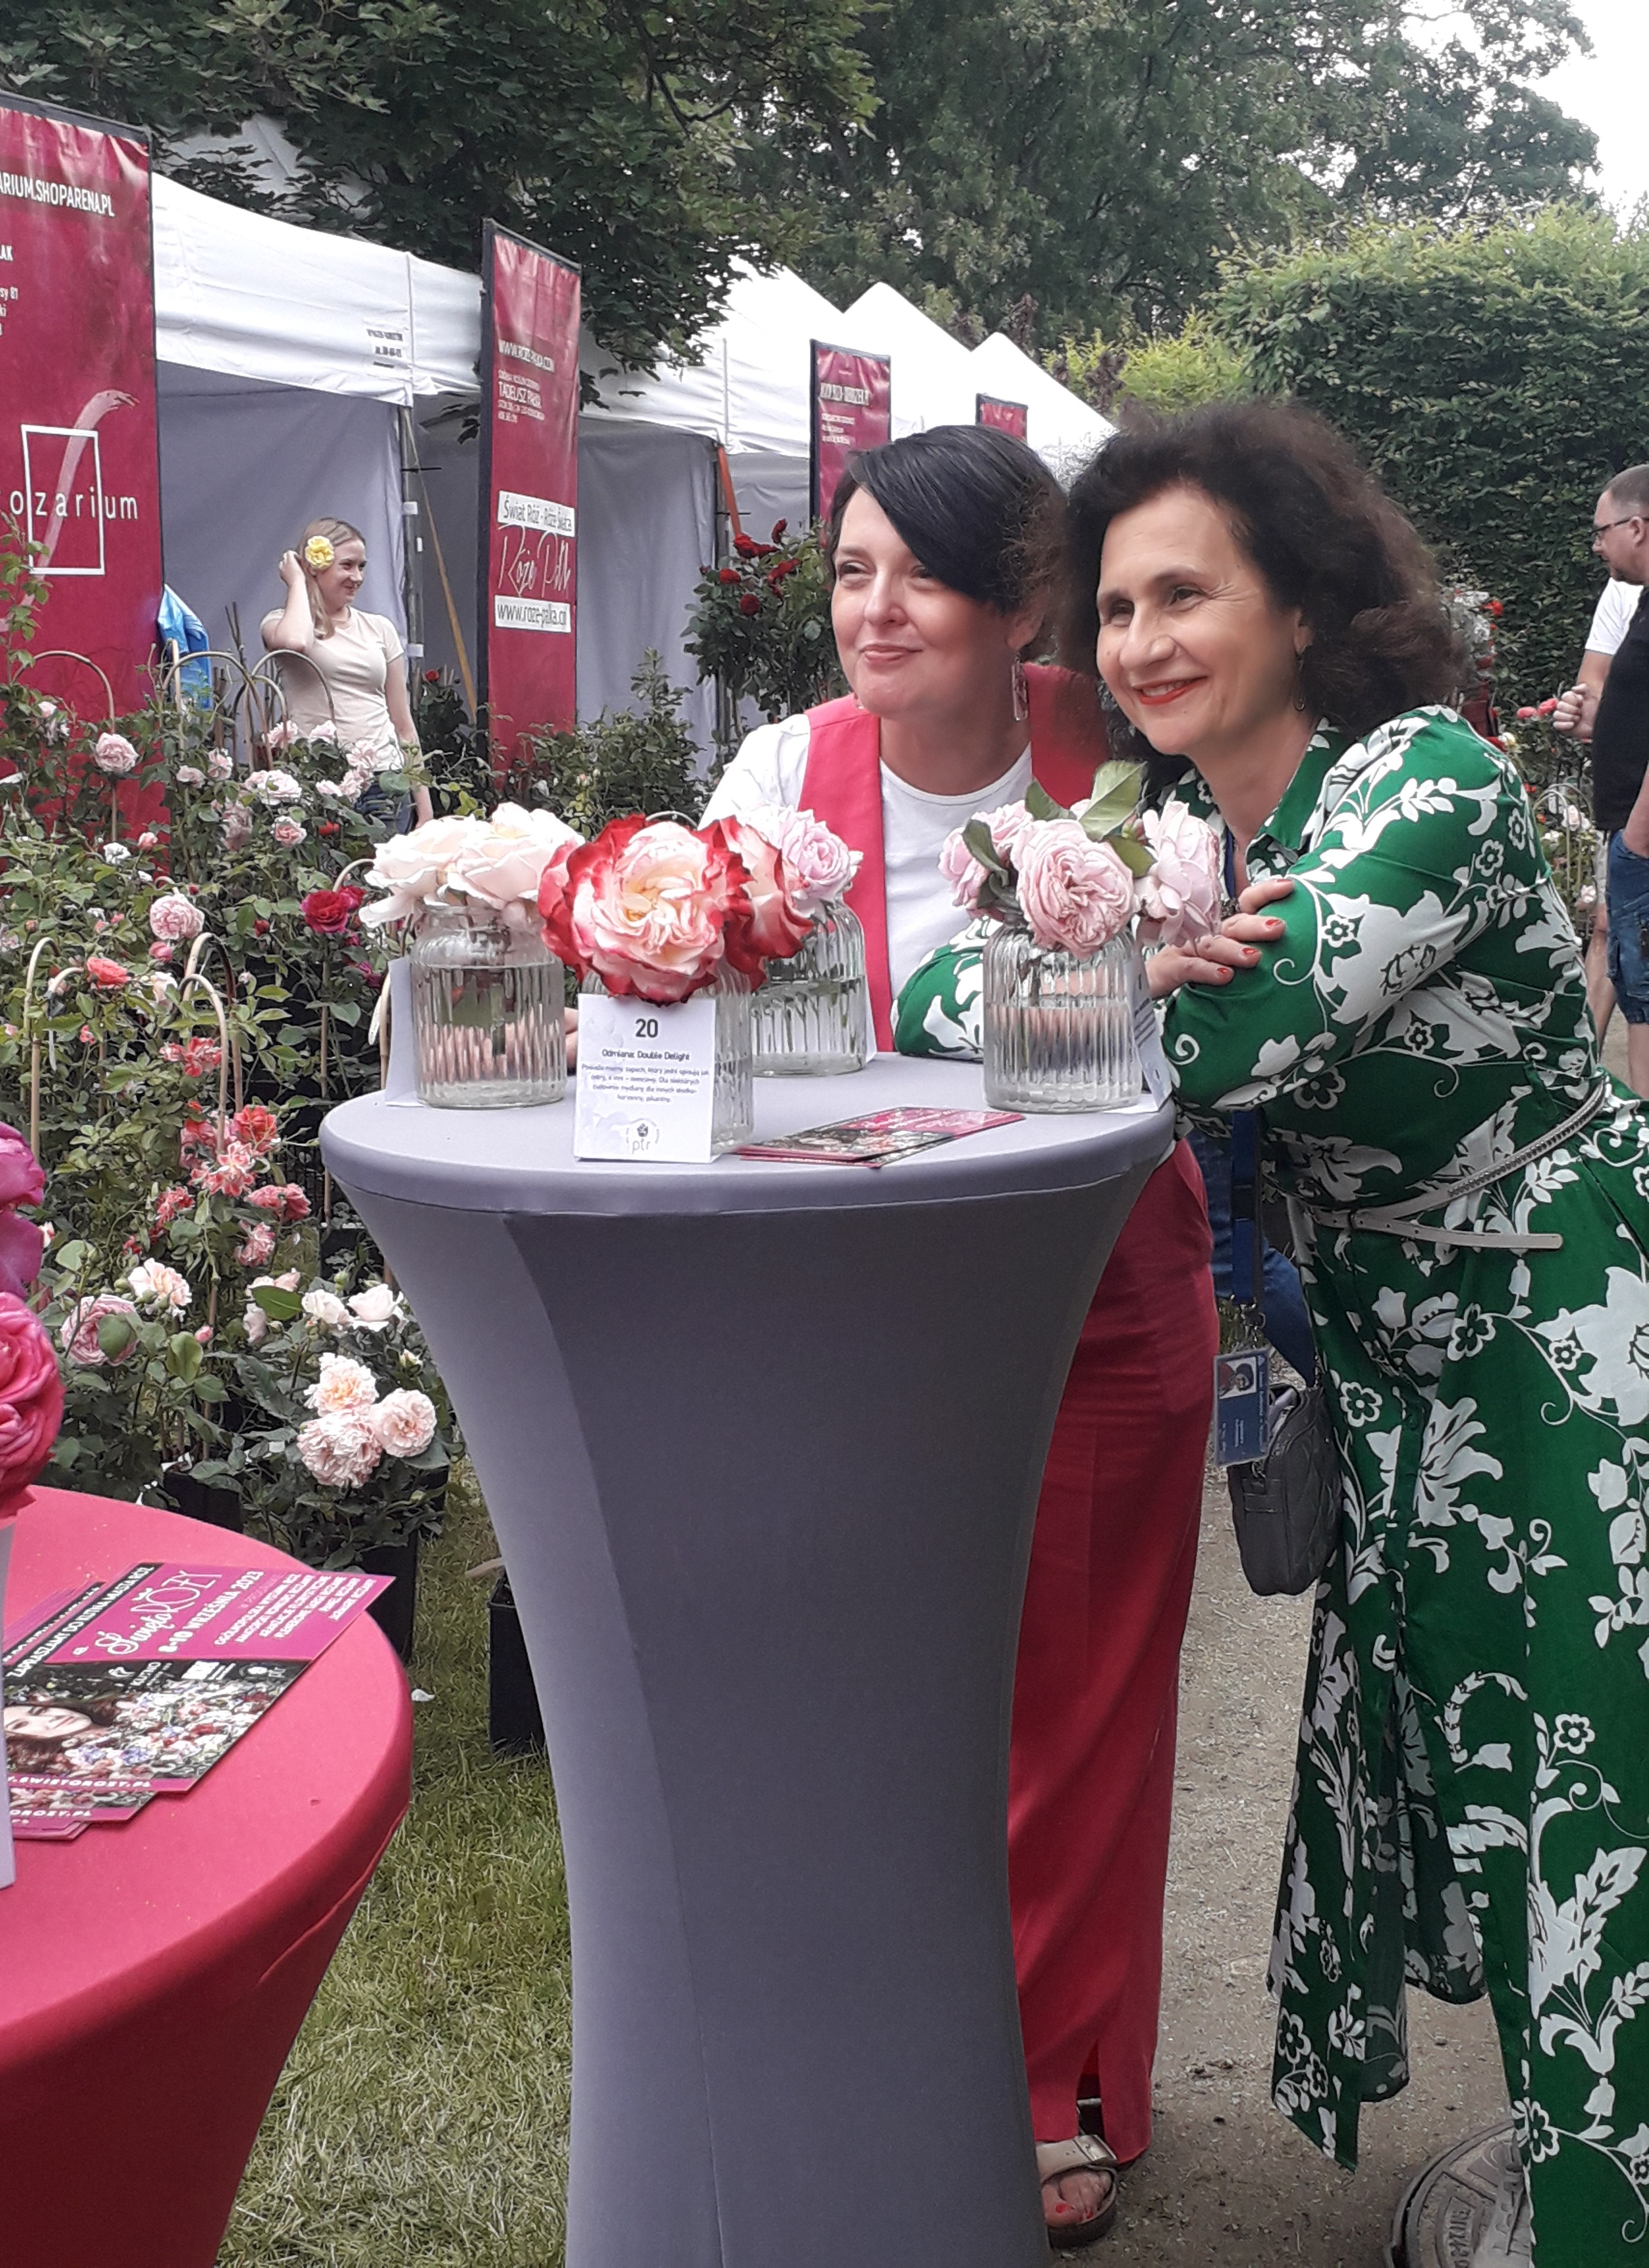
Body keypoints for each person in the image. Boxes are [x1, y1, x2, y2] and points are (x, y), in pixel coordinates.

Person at [1061, 397, 1649, 2265]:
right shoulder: (1185, 832)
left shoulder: (1427, 781)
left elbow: (1242, 1029)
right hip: (1408, 1370)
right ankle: (1576, 2165)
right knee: (1491, 1780)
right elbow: (948, 984)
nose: (1137, 640)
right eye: (1113, 606)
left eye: (1183, 593)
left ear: (1303, 605)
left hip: (1563, 1341)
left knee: (1587, 1798)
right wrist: (1111, 965)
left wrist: (1106, 982)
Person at [706, 425, 1218, 2249]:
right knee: (868, 1704)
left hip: (1095, 1295)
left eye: (918, 575)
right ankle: (873, 2054)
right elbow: (702, 1007)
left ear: (1020, 605)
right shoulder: (783, 771)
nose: (874, 609)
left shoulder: (1124, 759)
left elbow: (1196, 1008)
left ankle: (1048, 2077)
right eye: (850, 571)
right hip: (852, 1307)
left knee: (1076, 1698)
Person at [1553, 470, 1649, 1094]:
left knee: (1646, 997)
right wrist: (1598, 722)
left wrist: (1637, 838)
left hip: (1642, 837)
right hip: (1633, 832)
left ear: (1637, 528)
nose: (1596, 545)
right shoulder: (1639, 601)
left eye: (1601, 531)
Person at [261, 516, 426, 794]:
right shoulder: (278, 623)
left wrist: (424, 806)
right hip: (320, 778)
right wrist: (298, 581)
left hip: (385, 777)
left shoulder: (379, 627)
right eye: (347, 565)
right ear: (315, 567)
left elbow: (403, 723)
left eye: (361, 567)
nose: (357, 577)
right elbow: (295, 642)